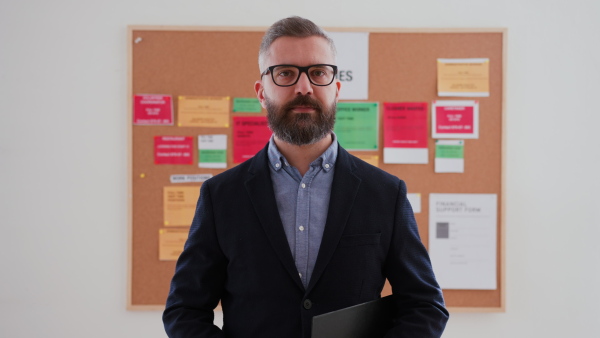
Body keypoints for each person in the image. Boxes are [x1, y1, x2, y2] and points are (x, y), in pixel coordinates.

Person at [163, 16, 449, 338]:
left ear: (336, 89)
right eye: (285, 73)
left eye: (318, 73)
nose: (304, 87)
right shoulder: (221, 195)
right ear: (261, 92)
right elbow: (184, 311)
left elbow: (425, 306)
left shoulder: (384, 193)